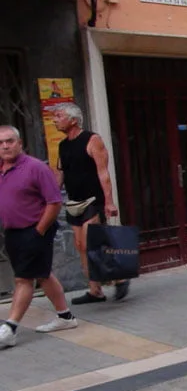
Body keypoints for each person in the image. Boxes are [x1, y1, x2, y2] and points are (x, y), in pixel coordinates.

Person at [0, 125, 78, 348]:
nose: (5, 146)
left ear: (20, 143)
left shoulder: (35, 168)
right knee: (43, 274)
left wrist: (39, 231)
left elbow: (54, 202)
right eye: (1, 143)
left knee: (24, 278)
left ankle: (10, 328)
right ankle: (65, 317)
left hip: (35, 229)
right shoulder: (1, 168)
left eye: (9, 141)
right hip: (13, 231)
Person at [53, 103, 129, 305]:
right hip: (74, 201)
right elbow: (60, 173)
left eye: (59, 116)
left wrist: (110, 202)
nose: (54, 119)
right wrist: (50, 196)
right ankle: (95, 291)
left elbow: (103, 172)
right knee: (80, 246)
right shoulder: (62, 145)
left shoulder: (92, 140)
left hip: (93, 200)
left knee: (91, 243)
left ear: (73, 120)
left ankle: (120, 276)